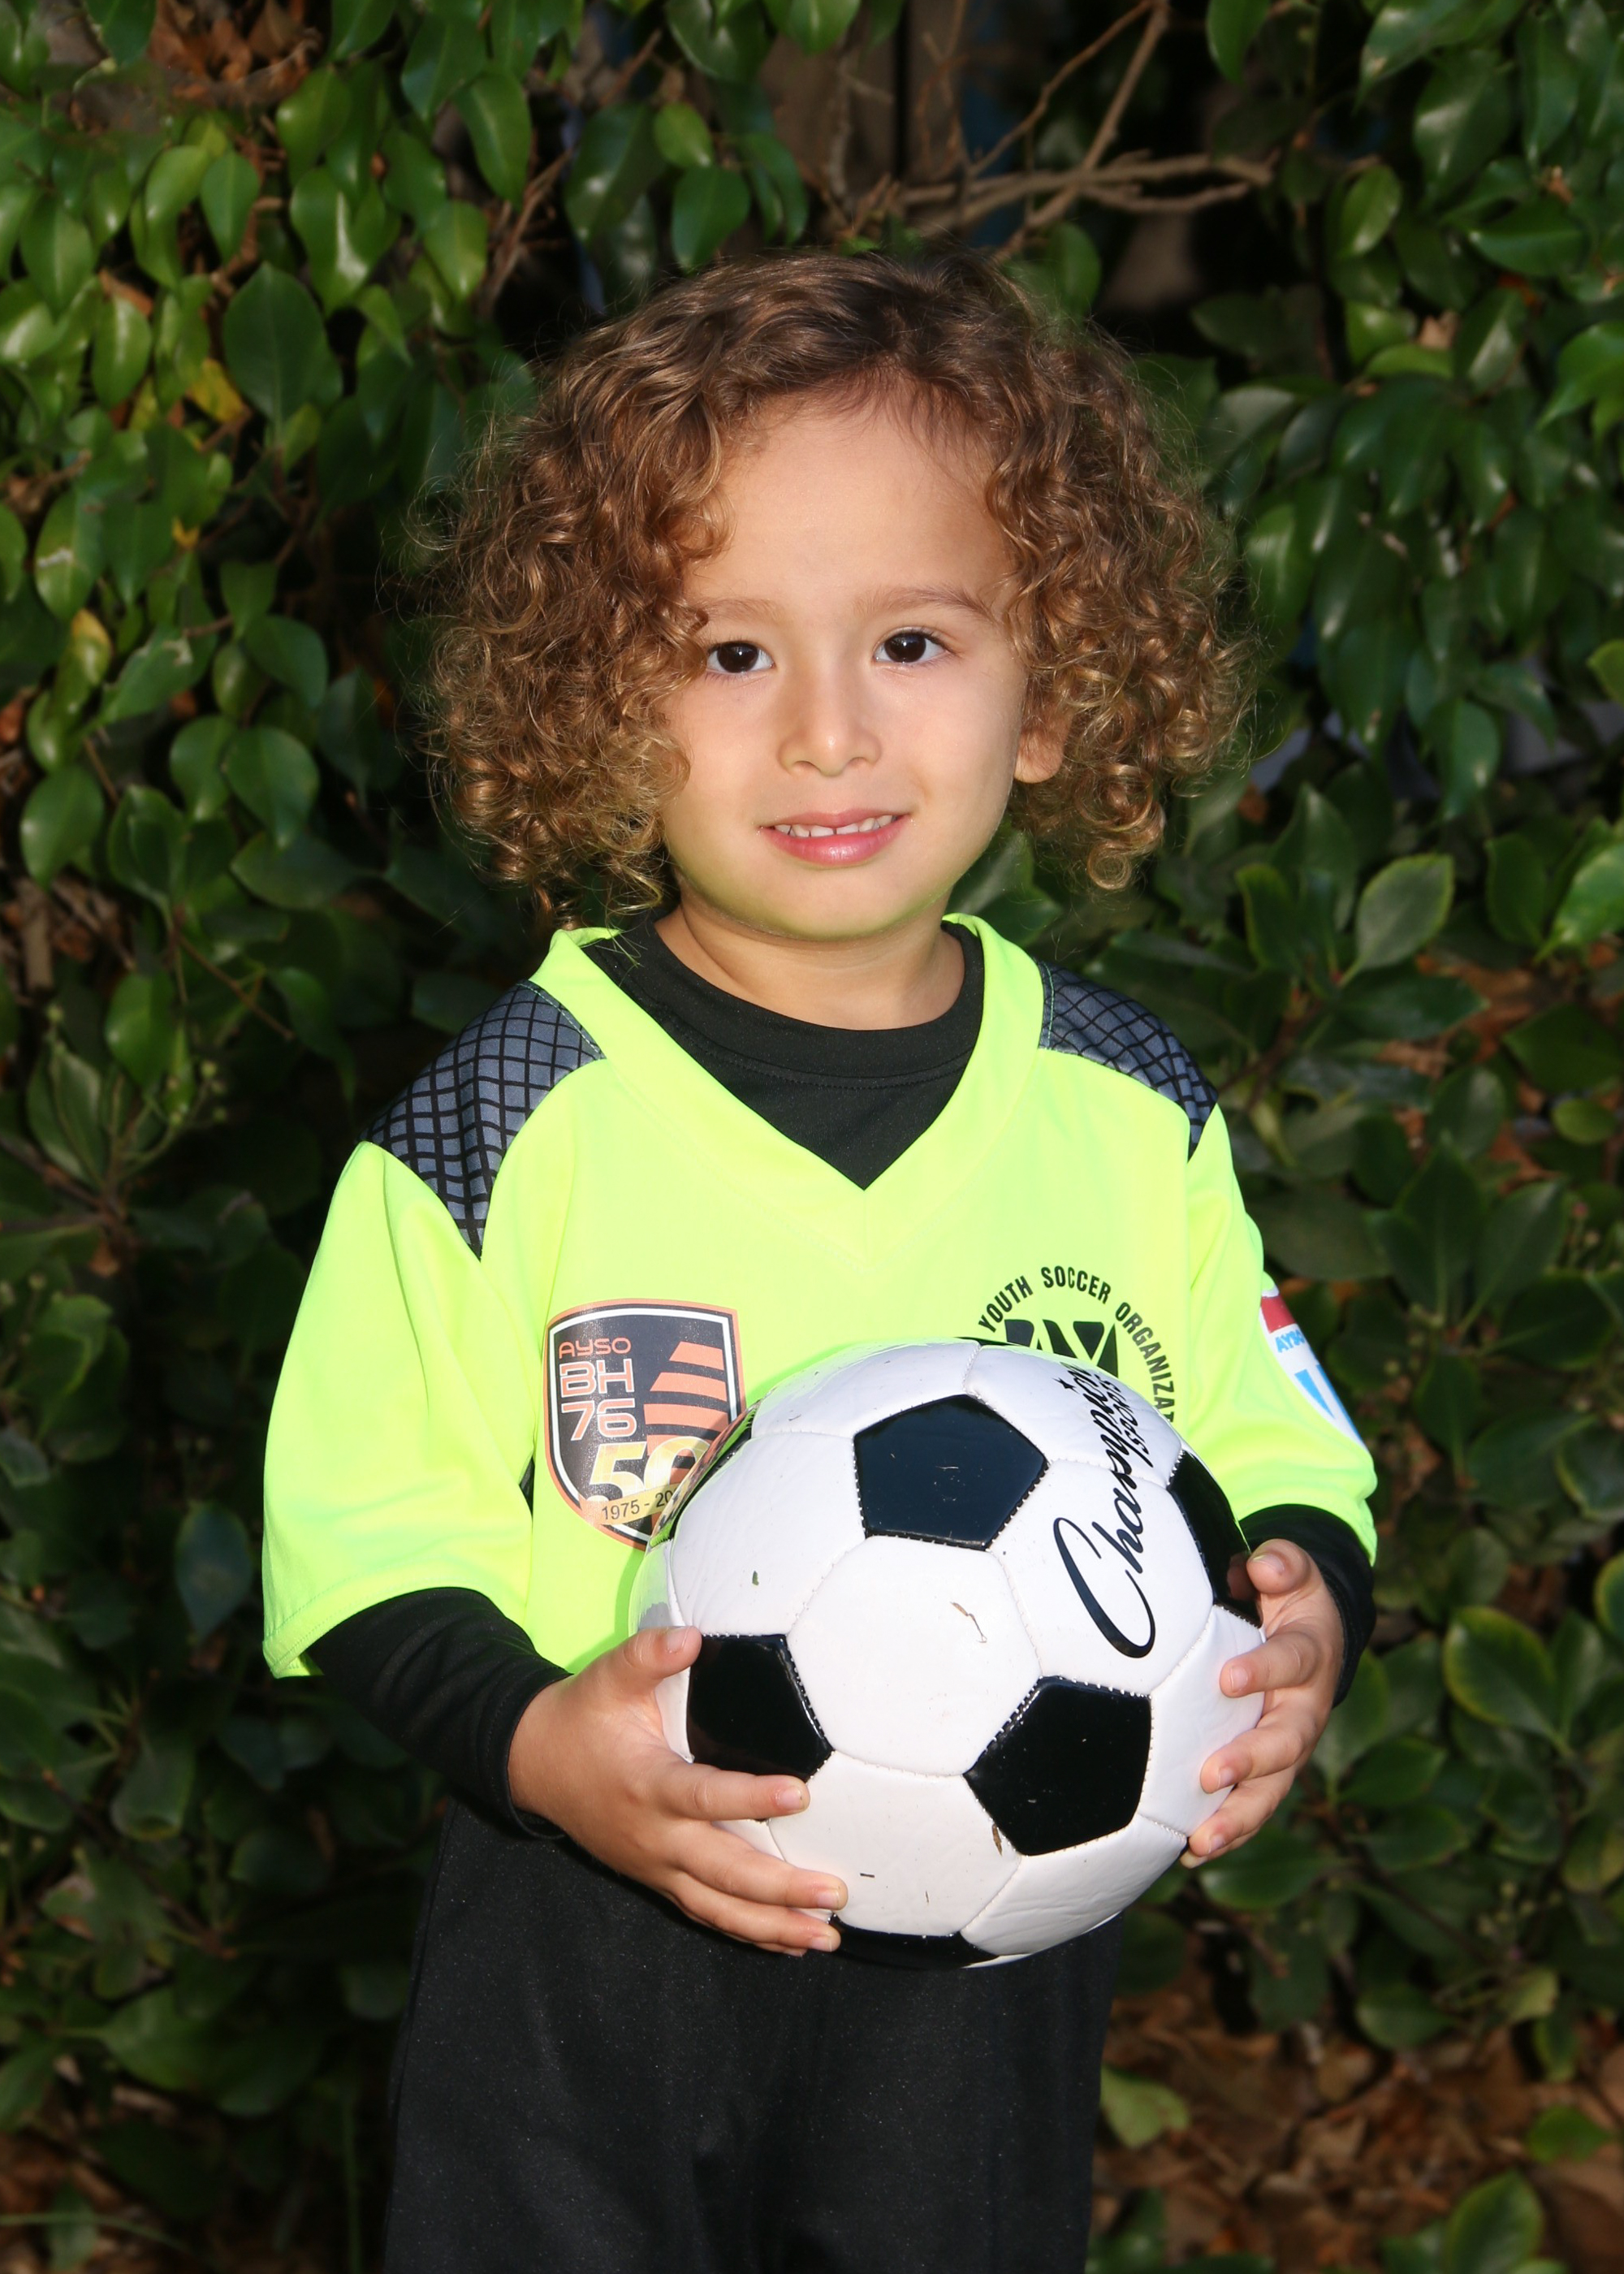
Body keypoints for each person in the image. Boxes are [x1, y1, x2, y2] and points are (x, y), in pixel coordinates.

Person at [261, 249, 1378, 2273]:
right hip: (586, 1930)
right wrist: (534, 1744)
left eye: (915, 640)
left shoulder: (1124, 1106)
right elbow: (361, 1525)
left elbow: (1271, 1441)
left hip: (993, 1934)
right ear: (603, 702)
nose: (829, 731)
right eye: (729, 652)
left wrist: (1301, 1616)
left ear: (1059, 687)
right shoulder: (502, 1117)